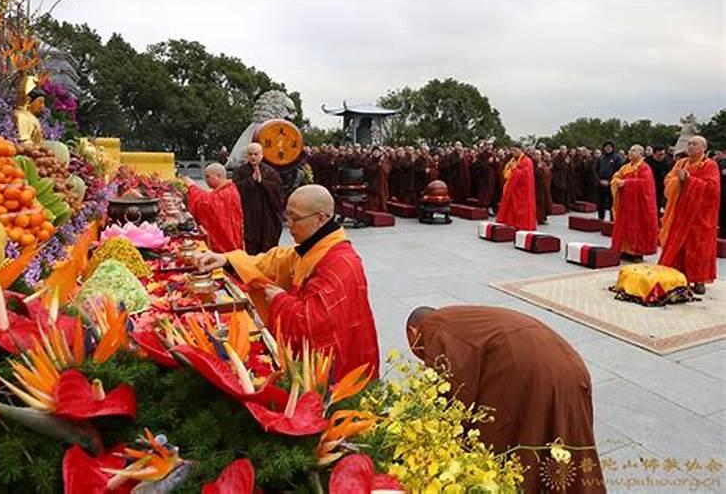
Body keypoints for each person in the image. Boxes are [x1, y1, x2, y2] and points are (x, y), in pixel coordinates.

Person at [406, 305, 604, 494]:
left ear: (413, 331)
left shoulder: (434, 330)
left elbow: (451, 398)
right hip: (571, 365)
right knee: (567, 441)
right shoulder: (459, 317)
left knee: (520, 445)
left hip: (534, 373)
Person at [194, 184, 380, 378]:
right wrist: (226, 259)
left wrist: (280, 300)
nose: (289, 224)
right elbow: (273, 261)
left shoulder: (340, 263)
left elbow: (317, 325)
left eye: (295, 218)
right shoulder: (314, 247)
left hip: (342, 367)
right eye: (287, 216)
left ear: (320, 219)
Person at [659, 136, 721, 294]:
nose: (691, 146)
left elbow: (712, 190)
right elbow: (668, 181)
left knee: (698, 248)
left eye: (695, 144)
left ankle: (699, 279)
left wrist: (689, 180)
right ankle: (677, 277)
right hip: (679, 213)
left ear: (704, 148)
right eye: (689, 143)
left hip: (699, 216)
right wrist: (678, 182)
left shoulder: (710, 165)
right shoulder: (681, 163)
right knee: (678, 247)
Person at [610, 145, 659, 261]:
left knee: (637, 228)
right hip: (626, 204)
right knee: (624, 226)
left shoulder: (644, 167)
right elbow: (616, 177)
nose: (630, 152)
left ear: (641, 153)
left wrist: (627, 183)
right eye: (630, 150)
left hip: (638, 206)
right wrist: (617, 182)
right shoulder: (626, 167)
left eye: (633, 150)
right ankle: (624, 250)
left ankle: (637, 252)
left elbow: (646, 184)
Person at [233, 143, 283, 255]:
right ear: (247, 156)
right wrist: (250, 181)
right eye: (250, 154)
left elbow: (278, 190)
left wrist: (262, 182)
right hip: (248, 215)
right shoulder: (240, 171)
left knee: (268, 246)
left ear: (262, 155)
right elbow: (235, 189)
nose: (253, 157)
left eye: (256, 154)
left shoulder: (270, 172)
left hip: (267, 216)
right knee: (249, 245)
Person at [183, 163, 244, 252]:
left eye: (208, 177)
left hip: (226, 241)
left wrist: (192, 187)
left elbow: (207, 204)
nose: (206, 180)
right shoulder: (228, 188)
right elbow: (209, 198)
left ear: (218, 176)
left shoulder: (226, 192)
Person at [496, 144, 536, 230]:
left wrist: (515, 170)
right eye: (512, 150)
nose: (512, 152)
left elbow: (525, 174)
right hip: (513, 188)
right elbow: (506, 172)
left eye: (514, 150)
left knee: (522, 210)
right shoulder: (512, 160)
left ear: (520, 150)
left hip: (523, 190)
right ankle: (511, 224)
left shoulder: (527, 161)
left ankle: (523, 226)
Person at [595, 141, 623, 221]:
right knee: (600, 203)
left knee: (612, 203)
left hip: (611, 183)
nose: (608, 148)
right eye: (606, 146)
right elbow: (595, 171)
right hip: (600, 183)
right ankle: (600, 219)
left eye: (609, 147)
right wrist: (599, 180)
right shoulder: (600, 158)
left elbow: (619, 171)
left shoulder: (617, 158)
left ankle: (612, 221)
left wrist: (610, 181)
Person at [645, 145, 673, 213]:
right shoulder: (647, 162)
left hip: (664, 187)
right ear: (654, 154)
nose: (661, 157)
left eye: (663, 154)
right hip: (651, 187)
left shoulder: (668, 161)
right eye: (659, 155)